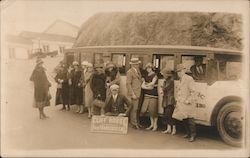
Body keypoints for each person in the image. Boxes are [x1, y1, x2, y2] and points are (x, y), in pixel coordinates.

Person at [172, 64, 196, 142]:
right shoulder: (180, 80)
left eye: (180, 71)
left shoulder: (189, 79)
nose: (178, 73)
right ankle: (188, 133)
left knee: (190, 120)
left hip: (188, 103)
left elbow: (193, 91)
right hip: (182, 103)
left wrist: (188, 100)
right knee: (184, 119)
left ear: (183, 71)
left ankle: (193, 135)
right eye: (177, 72)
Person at [140, 63, 158, 131]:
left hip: (153, 94)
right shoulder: (147, 75)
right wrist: (147, 85)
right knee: (149, 111)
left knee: (154, 111)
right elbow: (147, 84)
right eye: (147, 68)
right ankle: (152, 124)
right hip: (147, 94)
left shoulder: (155, 75)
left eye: (149, 68)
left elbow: (153, 83)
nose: (148, 69)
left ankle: (155, 125)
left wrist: (146, 85)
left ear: (152, 68)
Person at [126, 57, 143, 129]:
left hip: (138, 92)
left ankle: (136, 122)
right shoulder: (130, 72)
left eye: (138, 64)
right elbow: (128, 84)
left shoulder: (137, 71)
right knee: (134, 109)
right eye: (136, 64)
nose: (138, 65)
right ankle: (134, 123)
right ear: (133, 65)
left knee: (136, 109)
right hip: (134, 93)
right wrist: (132, 94)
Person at [160, 68, 176, 135]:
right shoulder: (167, 81)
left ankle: (174, 129)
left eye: (164, 74)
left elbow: (165, 88)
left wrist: (162, 87)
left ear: (167, 75)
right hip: (166, 100)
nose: (163, 75)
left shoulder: (170, 81)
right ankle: (169, 129)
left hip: (169, 100)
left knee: (170, 115)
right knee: (167, 115)